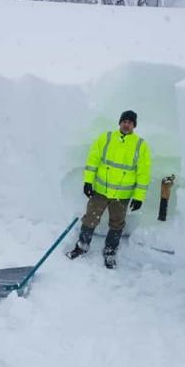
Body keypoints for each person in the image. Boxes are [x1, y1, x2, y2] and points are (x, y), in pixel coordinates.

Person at [66, 110, 151, 268]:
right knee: (90, 219)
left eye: (130, 122)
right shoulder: (106, 138)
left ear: (134, 126)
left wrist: (139, 197)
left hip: (122, 195)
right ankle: (81, 247)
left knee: (117, 224)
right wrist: (88, 182)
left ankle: (110, 252)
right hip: (100, 191)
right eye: (124, 121)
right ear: (119, 123)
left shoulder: (141, 145)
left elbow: (143, 173)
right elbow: (93, 160)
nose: (127, 125)